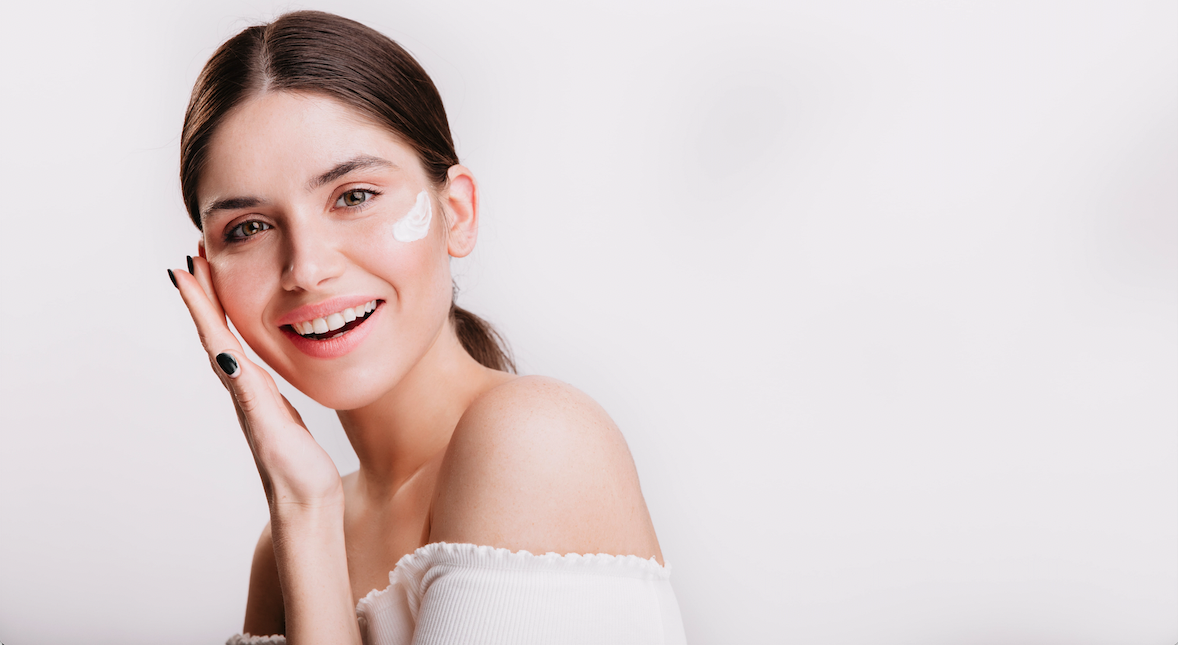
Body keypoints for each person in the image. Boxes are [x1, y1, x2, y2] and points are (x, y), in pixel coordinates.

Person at [167, 10, 685, 644]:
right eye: (248, 228)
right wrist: (303, 512)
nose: (305, 268)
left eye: (353, 196)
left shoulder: (537, 439)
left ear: (457, 212)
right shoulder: (287, 542)